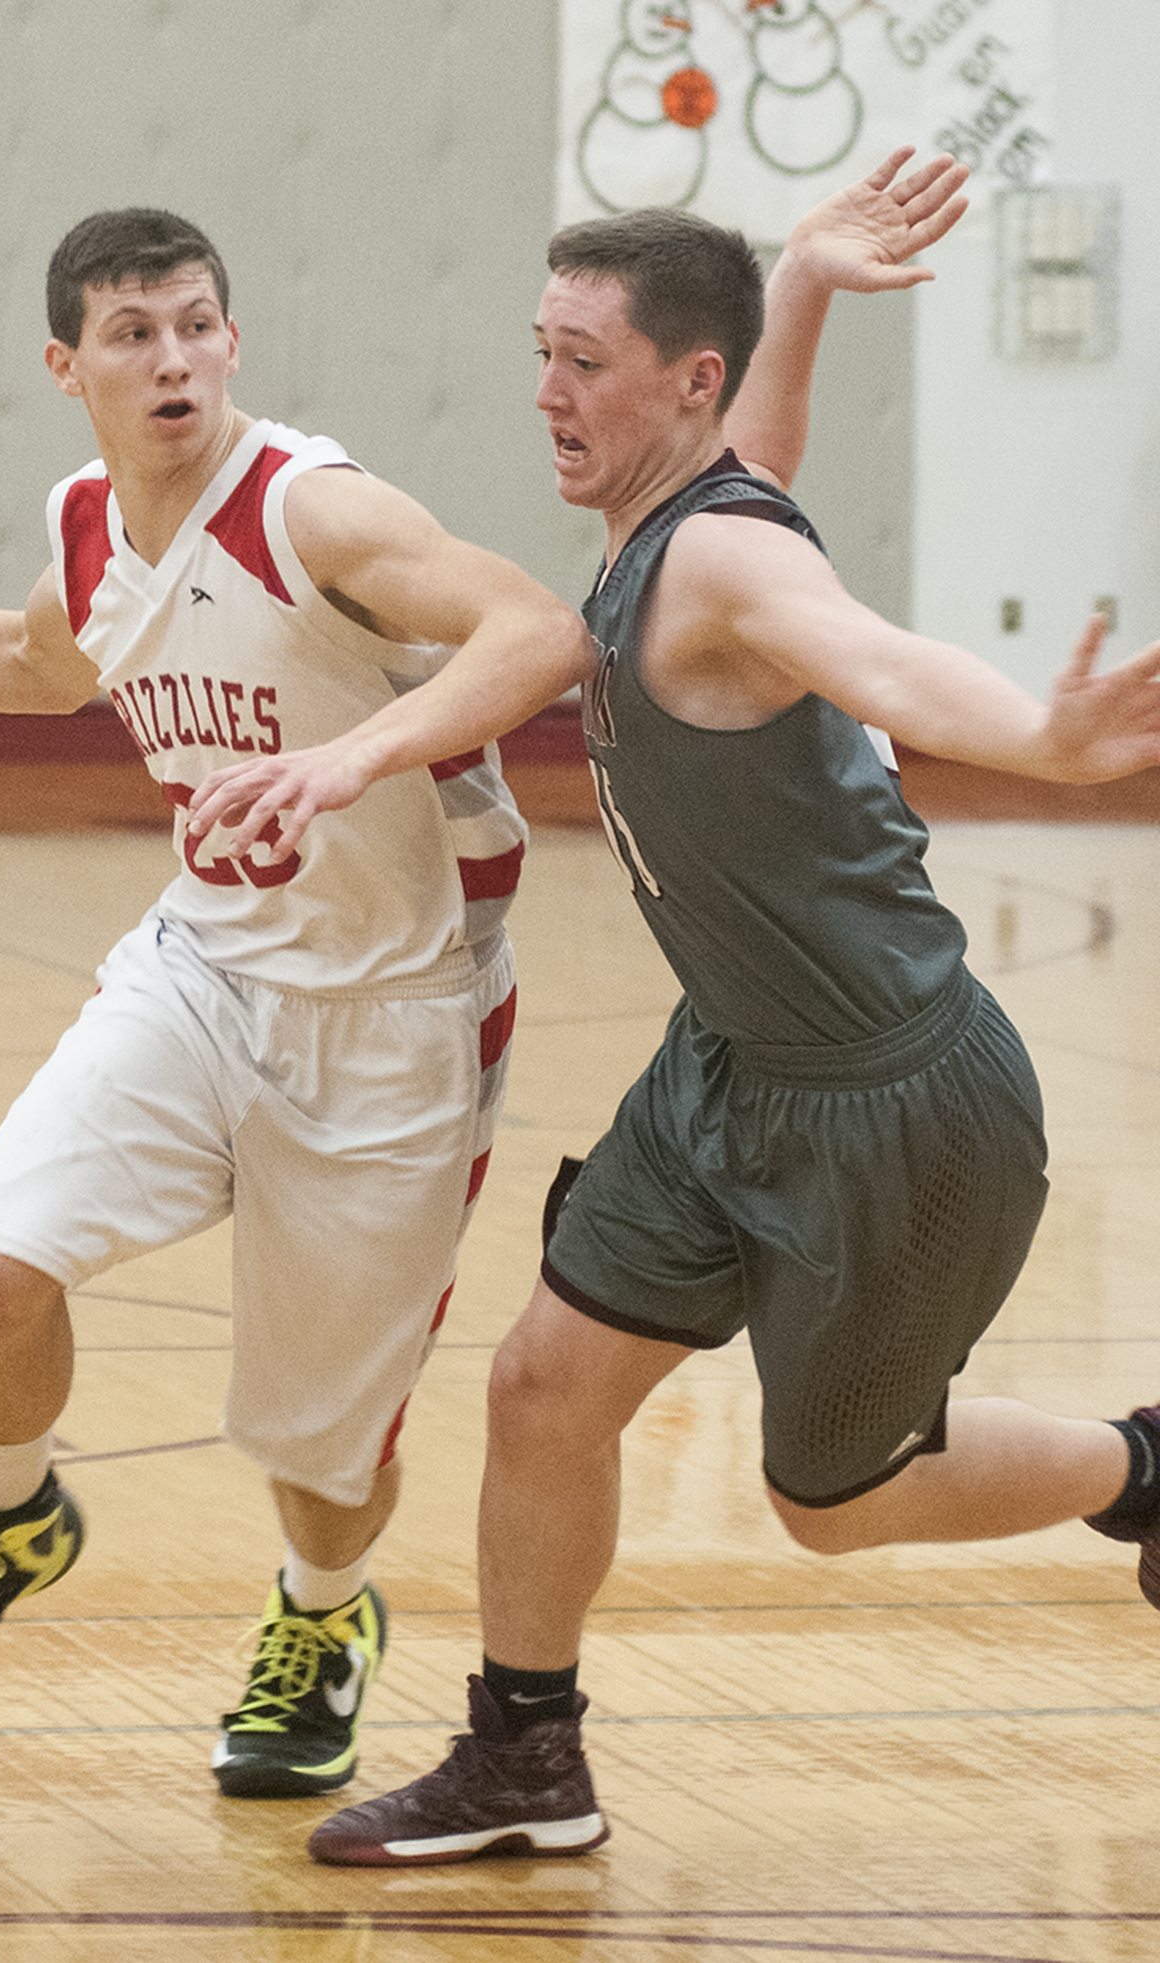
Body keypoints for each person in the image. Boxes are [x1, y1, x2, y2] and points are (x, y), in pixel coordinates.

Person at [186, 151, 1160, 1862]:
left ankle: (1143, 1468)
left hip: (891, 1106)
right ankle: (525, 1761)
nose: (547, 392)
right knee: (543, 1388)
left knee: (832, 1502)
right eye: (541, 351)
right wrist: (807, 280)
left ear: (683, 381)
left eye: (585, 361)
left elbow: (872, 654)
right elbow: (759, 465)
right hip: (727, 1062)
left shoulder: (719, 568)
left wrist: (1040, 739)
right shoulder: (691, 510)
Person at [0, 205, 583, 1798]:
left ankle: (324, 1614)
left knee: (321, 1455)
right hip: (204, 969)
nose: (172, 360)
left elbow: (542, 630)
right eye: (134, 334)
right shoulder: (91, 523)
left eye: (196, 327)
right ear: (67, 367)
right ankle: (8, 1522)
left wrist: (353, 757)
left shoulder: (313, 512)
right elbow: (38, 663)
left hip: (397, 1015)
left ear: (232, 340)